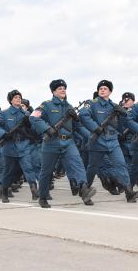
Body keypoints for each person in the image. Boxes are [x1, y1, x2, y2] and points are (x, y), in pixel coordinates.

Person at [30, 79, 97, 208]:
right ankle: (43, 197)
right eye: (59, 88)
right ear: (53, 91)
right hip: (51, 142)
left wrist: (90, 136)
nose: (63, 90)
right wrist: (47, 128)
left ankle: (84, 189)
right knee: (46, 172)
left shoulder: (69, 106)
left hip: (68, 142)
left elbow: (77, 126)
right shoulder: (46, 105)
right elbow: (33, 118)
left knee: (78, 164)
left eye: (64, 88)